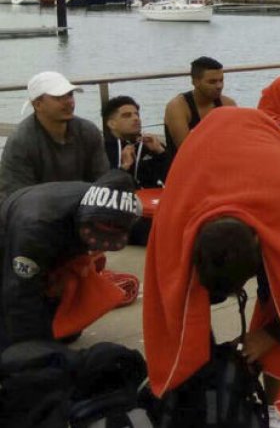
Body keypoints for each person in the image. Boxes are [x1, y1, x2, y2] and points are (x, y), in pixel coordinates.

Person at [143, 107, 280, 428]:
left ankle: (278, 408)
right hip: (203, 159)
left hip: (271, 153)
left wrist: (270, 334)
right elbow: (168, 303)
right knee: (183, 306)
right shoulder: (174, 223)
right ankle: (198, 392)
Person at [1, 169, 140, 349]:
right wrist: (33, 351)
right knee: (16, 330)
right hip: (12, 230)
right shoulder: (34, 229)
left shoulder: (108, 200)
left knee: (65, 332)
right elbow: (20, 293)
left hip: (58, 223)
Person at [0, 72, 110, 200]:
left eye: (70, 95)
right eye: (59, 97)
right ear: (37, 104)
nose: (69, 102)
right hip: (36, 212)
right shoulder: (21, 141)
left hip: (84, 208)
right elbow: (16, 197)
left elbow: (103, 182)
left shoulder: (88, 131)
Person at [163, 56, 236, 153]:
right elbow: (186, 150)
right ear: (195, 82)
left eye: (221, 80)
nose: (219, 86)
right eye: (212, 82)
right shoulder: (178, 107)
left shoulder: (228, 104)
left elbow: (236, 141)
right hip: (185, 165)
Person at [102, 95, 171, 189]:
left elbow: (175, 177)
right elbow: (101, 188)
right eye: (127, 116)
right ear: (112, 124)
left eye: (137, 114)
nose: (136, 118)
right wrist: (124, 167)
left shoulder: (150, 145)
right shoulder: (103, 150)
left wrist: (160, 152)